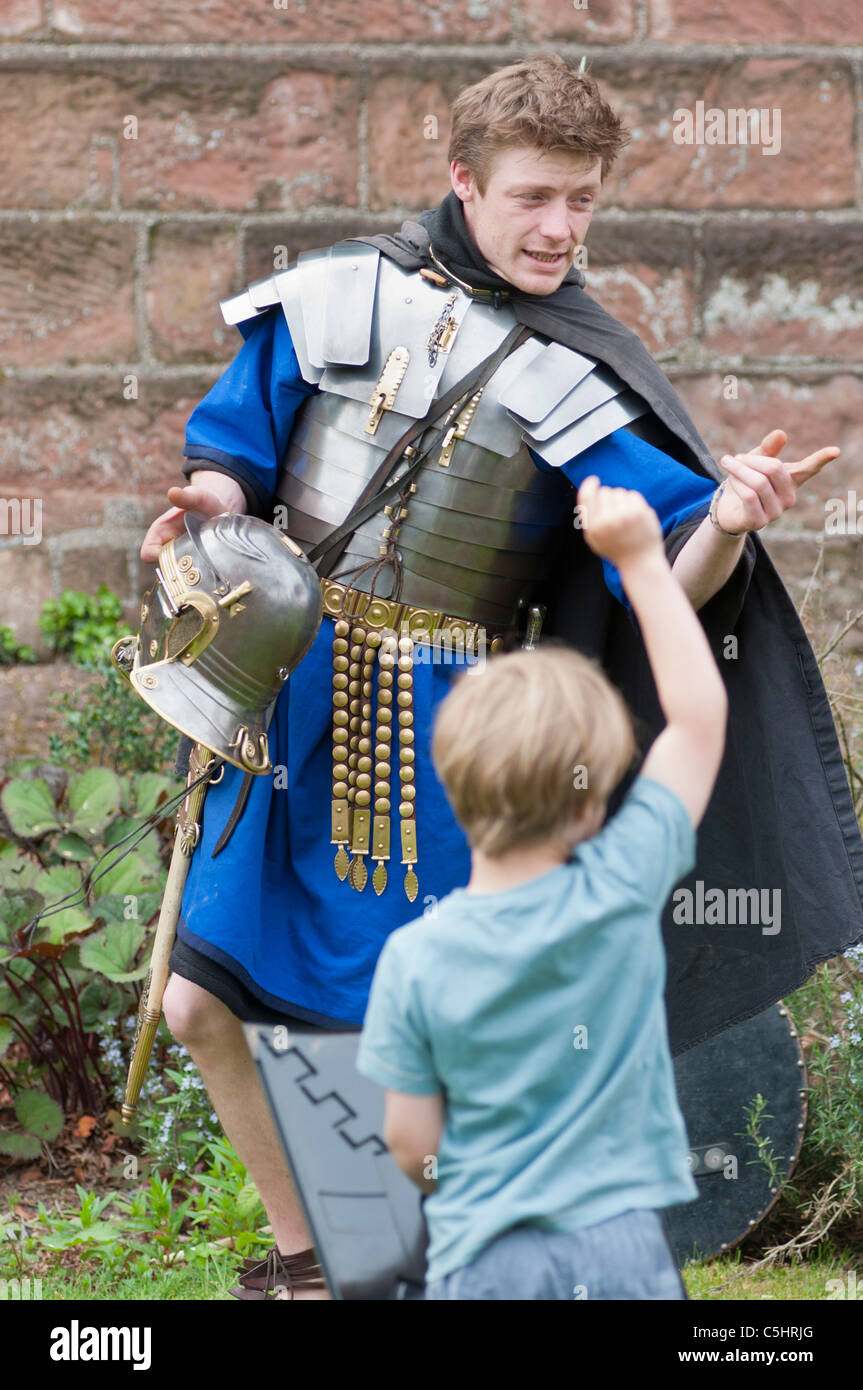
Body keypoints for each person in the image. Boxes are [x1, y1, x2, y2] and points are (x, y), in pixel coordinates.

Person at [136, 56, 863, 1300]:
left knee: (358, 1027)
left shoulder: (578, 368)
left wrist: (731, 519)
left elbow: (658, 581)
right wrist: (203, 514)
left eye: (581, 201)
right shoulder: (336, 295)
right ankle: (316, 1258)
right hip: (285, 689)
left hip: (426, 727)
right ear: (462, 181)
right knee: (204, 1003)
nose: (557, 227)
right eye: (533, 197)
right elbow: (231, 455)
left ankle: (378, 1268)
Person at [356, 474, 727, 1300]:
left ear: (451, 791)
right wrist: (638, 561)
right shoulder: (621, 885)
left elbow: (409, 1138)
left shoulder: (414, 958)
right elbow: (699, 716)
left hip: (484, 1258)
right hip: (621, 1251)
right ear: (591, 804)